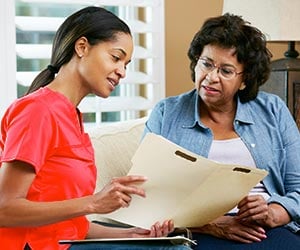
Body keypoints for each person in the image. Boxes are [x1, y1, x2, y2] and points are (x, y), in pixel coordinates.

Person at [0, 6, 192, 250]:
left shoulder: (72, 117)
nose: (122, 72)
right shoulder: (38, 111)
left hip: (65, 244)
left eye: (127, 63)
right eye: (116, 57)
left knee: (168, 244)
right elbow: (4, 209)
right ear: (82, 47)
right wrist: (93, 203)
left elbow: (72, 227)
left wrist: (132, 234)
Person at [142, 13, 300, 250]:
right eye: (206, 64)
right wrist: (209, 223)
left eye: (226, 71)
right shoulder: (167, 113)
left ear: (244, 79)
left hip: (264, 229)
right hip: (195, 231)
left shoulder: (273, 110)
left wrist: (273, 212)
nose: (211, 77)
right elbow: (146, 194)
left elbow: (297, 187)